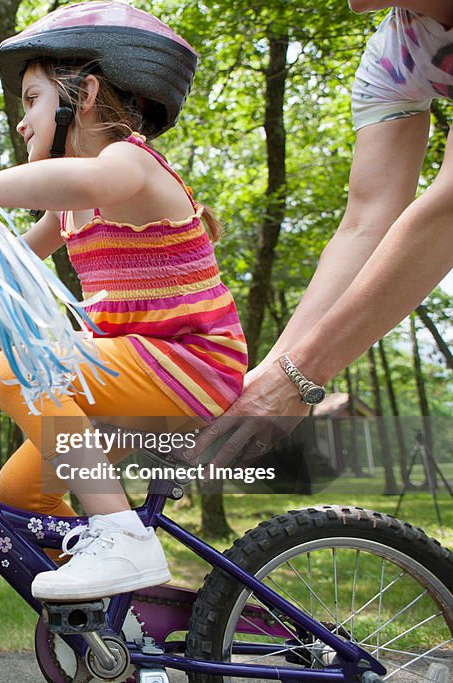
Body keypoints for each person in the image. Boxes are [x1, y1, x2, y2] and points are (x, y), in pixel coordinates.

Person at [0, 1, 247, 602]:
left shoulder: (129, 165)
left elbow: (84, 181)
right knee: (21, 494)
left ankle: (121, 538)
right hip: (140, 377)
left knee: (20, 367)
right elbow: (20, 251)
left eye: (32, 98)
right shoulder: (71, 208)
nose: (21, 121)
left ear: (83, 95)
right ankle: (117, 622)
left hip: (191, 368)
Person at [190, 0, 453, 464]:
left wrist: (297, 375)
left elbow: (446, 211)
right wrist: (268, 376)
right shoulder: (397, 53)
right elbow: (366, 224)